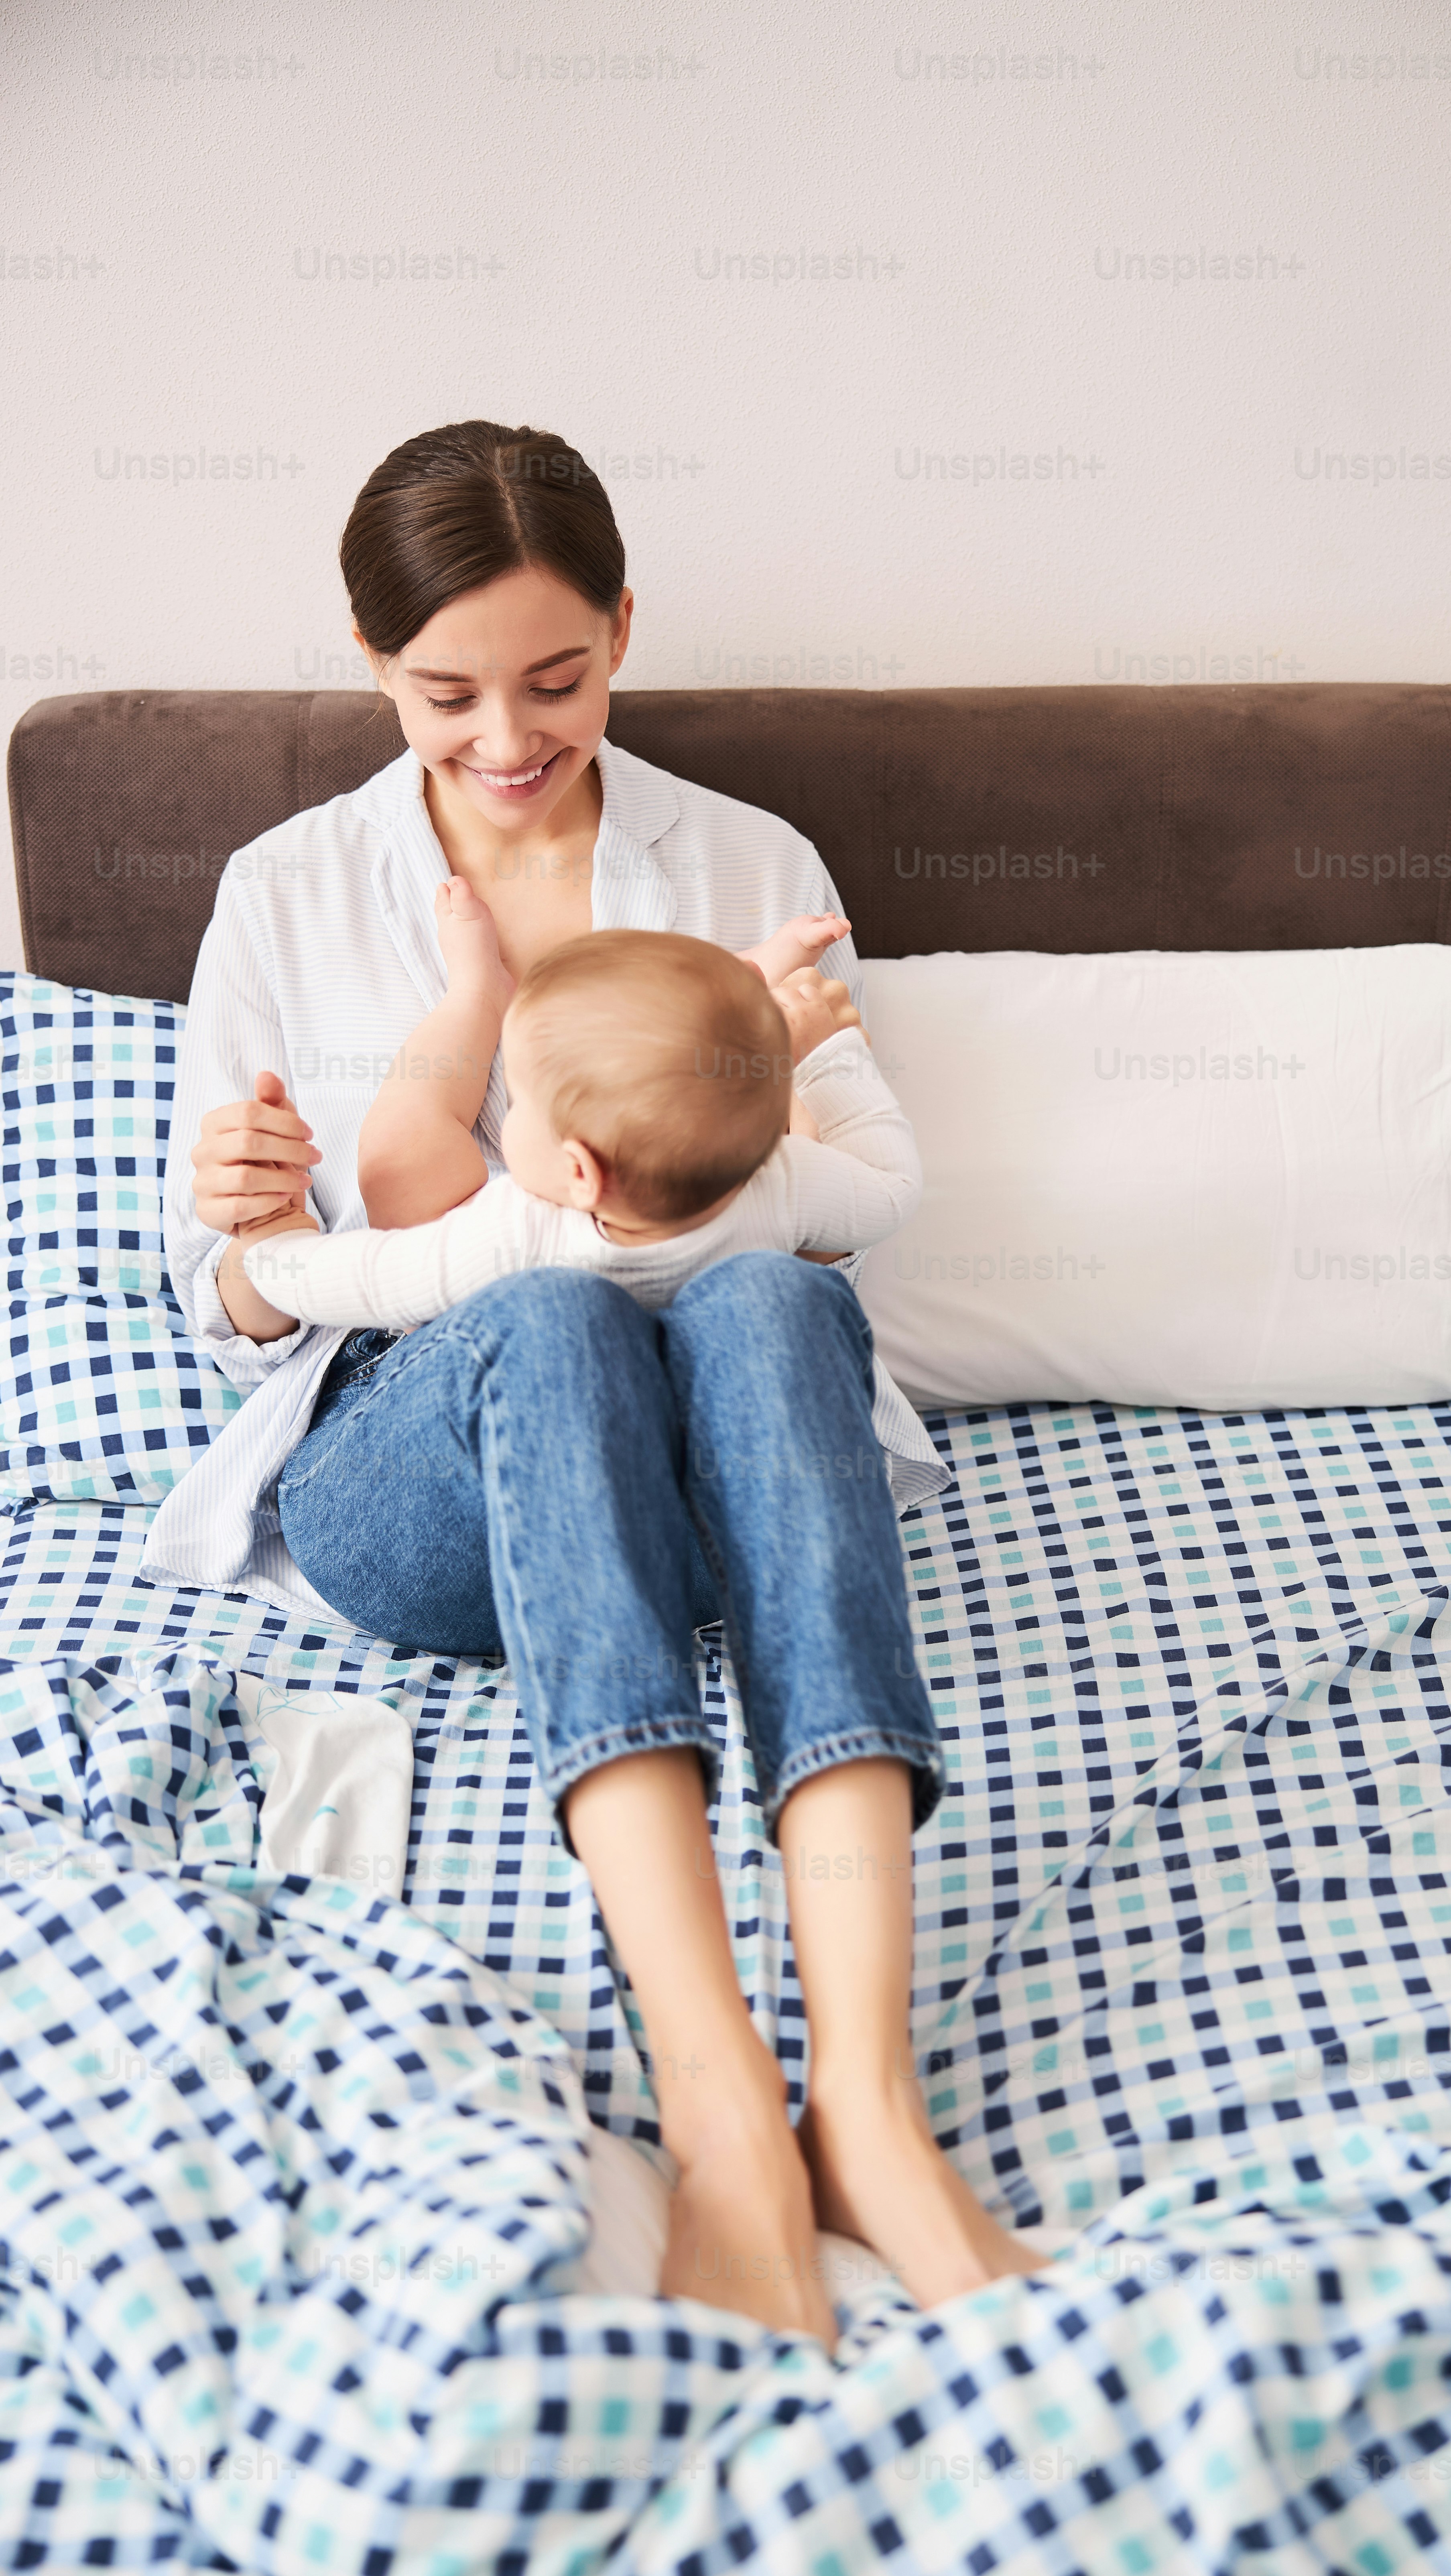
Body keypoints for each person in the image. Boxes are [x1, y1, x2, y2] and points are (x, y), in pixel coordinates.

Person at [151, 419, 1039, 2346]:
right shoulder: (284, 892)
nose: (501, 739)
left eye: (555, 681)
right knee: (549, 1322)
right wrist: (233, 1237)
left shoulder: (744, 859)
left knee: (784, 1304)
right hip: (426, 1476)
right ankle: (721, 2101)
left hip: (724, 1477)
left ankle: (868, 2111)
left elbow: (837, 1200)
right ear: (374, 663)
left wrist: (799, 1073)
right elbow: (224, 1288)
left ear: (624, 630)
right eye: (443, 693)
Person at [226, 919, 922, 1328]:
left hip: (490, 1383)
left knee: (406, 1151)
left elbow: (364, 1279)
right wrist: (829, 1054)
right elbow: (890, 1188)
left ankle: (473, 998)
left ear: (581, 1171)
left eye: (520, 1100)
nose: (507, 1112)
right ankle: (755, 1000)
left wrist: (269, 1239)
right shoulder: (782, 1182)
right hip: (684, 1432)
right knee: (710, 1049)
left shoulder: (515, 1238)